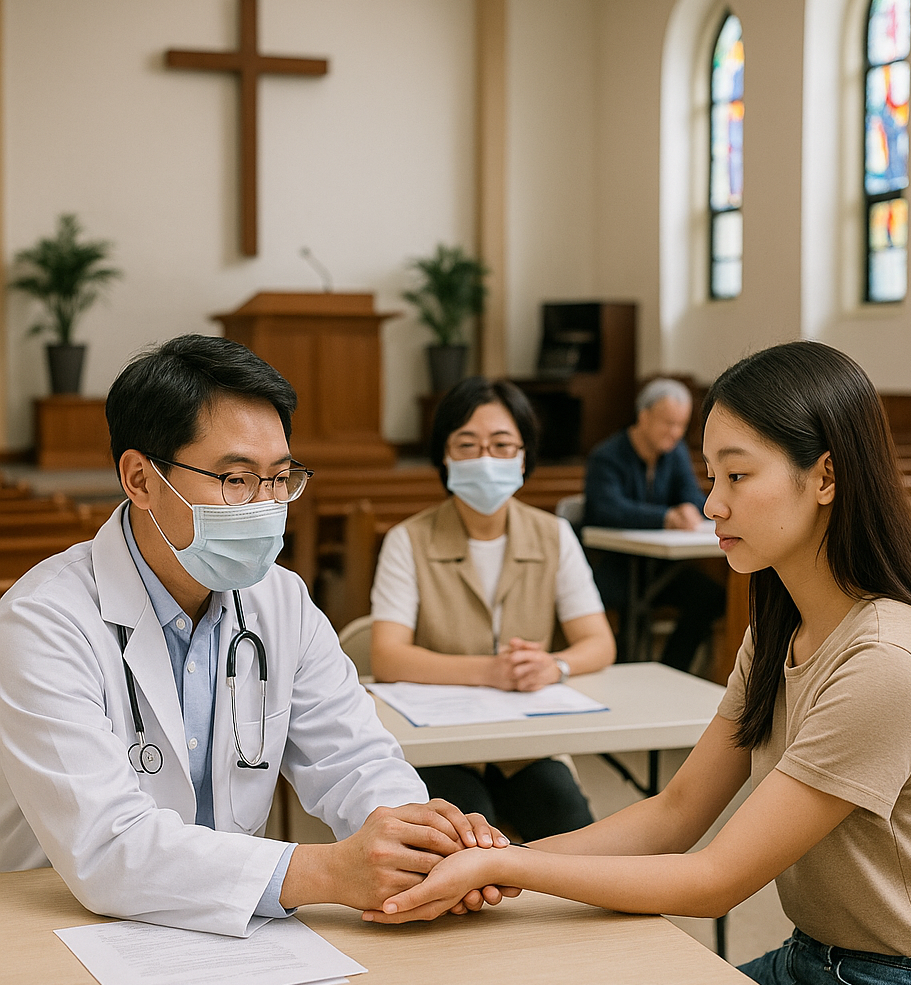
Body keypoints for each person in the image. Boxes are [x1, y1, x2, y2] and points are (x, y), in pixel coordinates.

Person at [365, 342, 911, 985]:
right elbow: (675, 812)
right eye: (709, 477)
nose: (710, 506)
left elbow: (715, 881)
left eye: (736, 477)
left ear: (825, 477)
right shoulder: (781, 628)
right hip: (814, 959)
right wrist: (498, 859)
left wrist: (508, 863)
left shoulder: (887, 660)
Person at [0, 335, 509, 937]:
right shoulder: (43, 619)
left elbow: (353, 759)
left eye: (279, 478)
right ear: (139, 479)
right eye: (237, 478)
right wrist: (330, 871)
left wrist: (418, 841)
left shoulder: (281, 600)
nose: (266, 505)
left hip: (236, 927)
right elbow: (108, 848)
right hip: (61, 924)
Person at [370, 376, 616, 840]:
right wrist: (490, 671)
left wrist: (554, 666)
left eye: (502, 444)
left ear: (524, 456)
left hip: (525, 744)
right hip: (443, 744)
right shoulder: (408, 540)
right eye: (468, 444)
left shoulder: (554, 535)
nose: (486, 458)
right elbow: (387, 656)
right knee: (466, 833)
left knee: (572, 828)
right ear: (444, 455)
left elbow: (599, 643)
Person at [584, 378, 725, 670]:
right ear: (644, 416)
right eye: (667, 423)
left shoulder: (675, 455)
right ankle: (626, 675)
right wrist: (665, 517)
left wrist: (689, 509)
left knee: (711, 597)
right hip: (615, 566)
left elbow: (694, 498)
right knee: (631, 604)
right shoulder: (606, 456)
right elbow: (607, 509)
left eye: (681, 426)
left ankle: (673, 668)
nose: (675, 433)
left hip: (662, 569)